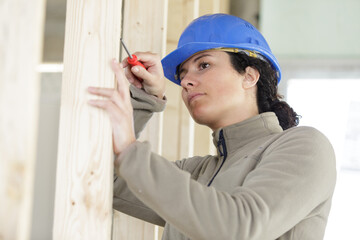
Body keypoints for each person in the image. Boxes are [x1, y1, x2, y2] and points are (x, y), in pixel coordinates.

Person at [88, 14, 336, 240]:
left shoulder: (305, 146)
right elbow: (109, 180)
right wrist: (143, 100)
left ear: (249, 76)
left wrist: (131, 151)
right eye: (182, 73)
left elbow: (239, 228)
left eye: (203, 65)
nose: (185, 81)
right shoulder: (199, 173)